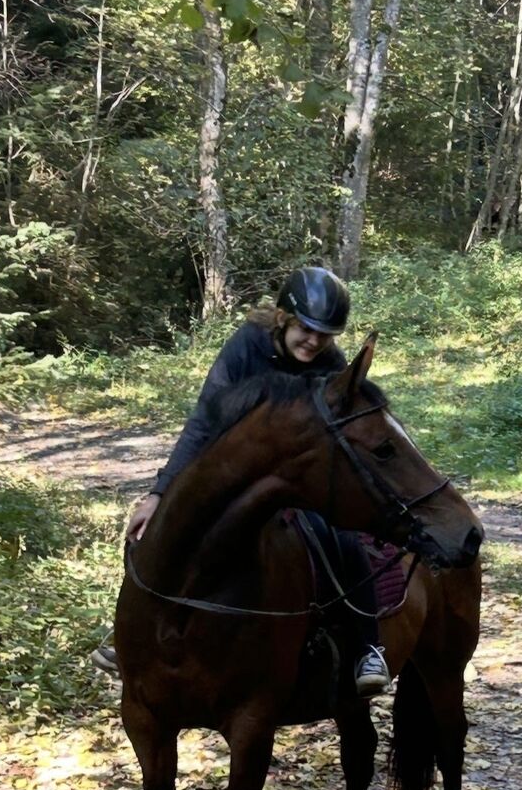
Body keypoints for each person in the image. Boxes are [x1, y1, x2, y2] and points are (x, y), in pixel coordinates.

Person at [93, 266, 391, 697]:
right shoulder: (246, 345)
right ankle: (132, 639)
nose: (314, 341)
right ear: (284, 318)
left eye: (325, 334)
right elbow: (204, 421)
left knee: (342, 540)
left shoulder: (331, 364)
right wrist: (160, 493)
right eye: (306, 329)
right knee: (153, 533)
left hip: (298, 479)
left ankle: (367, 646)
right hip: (233, 475)